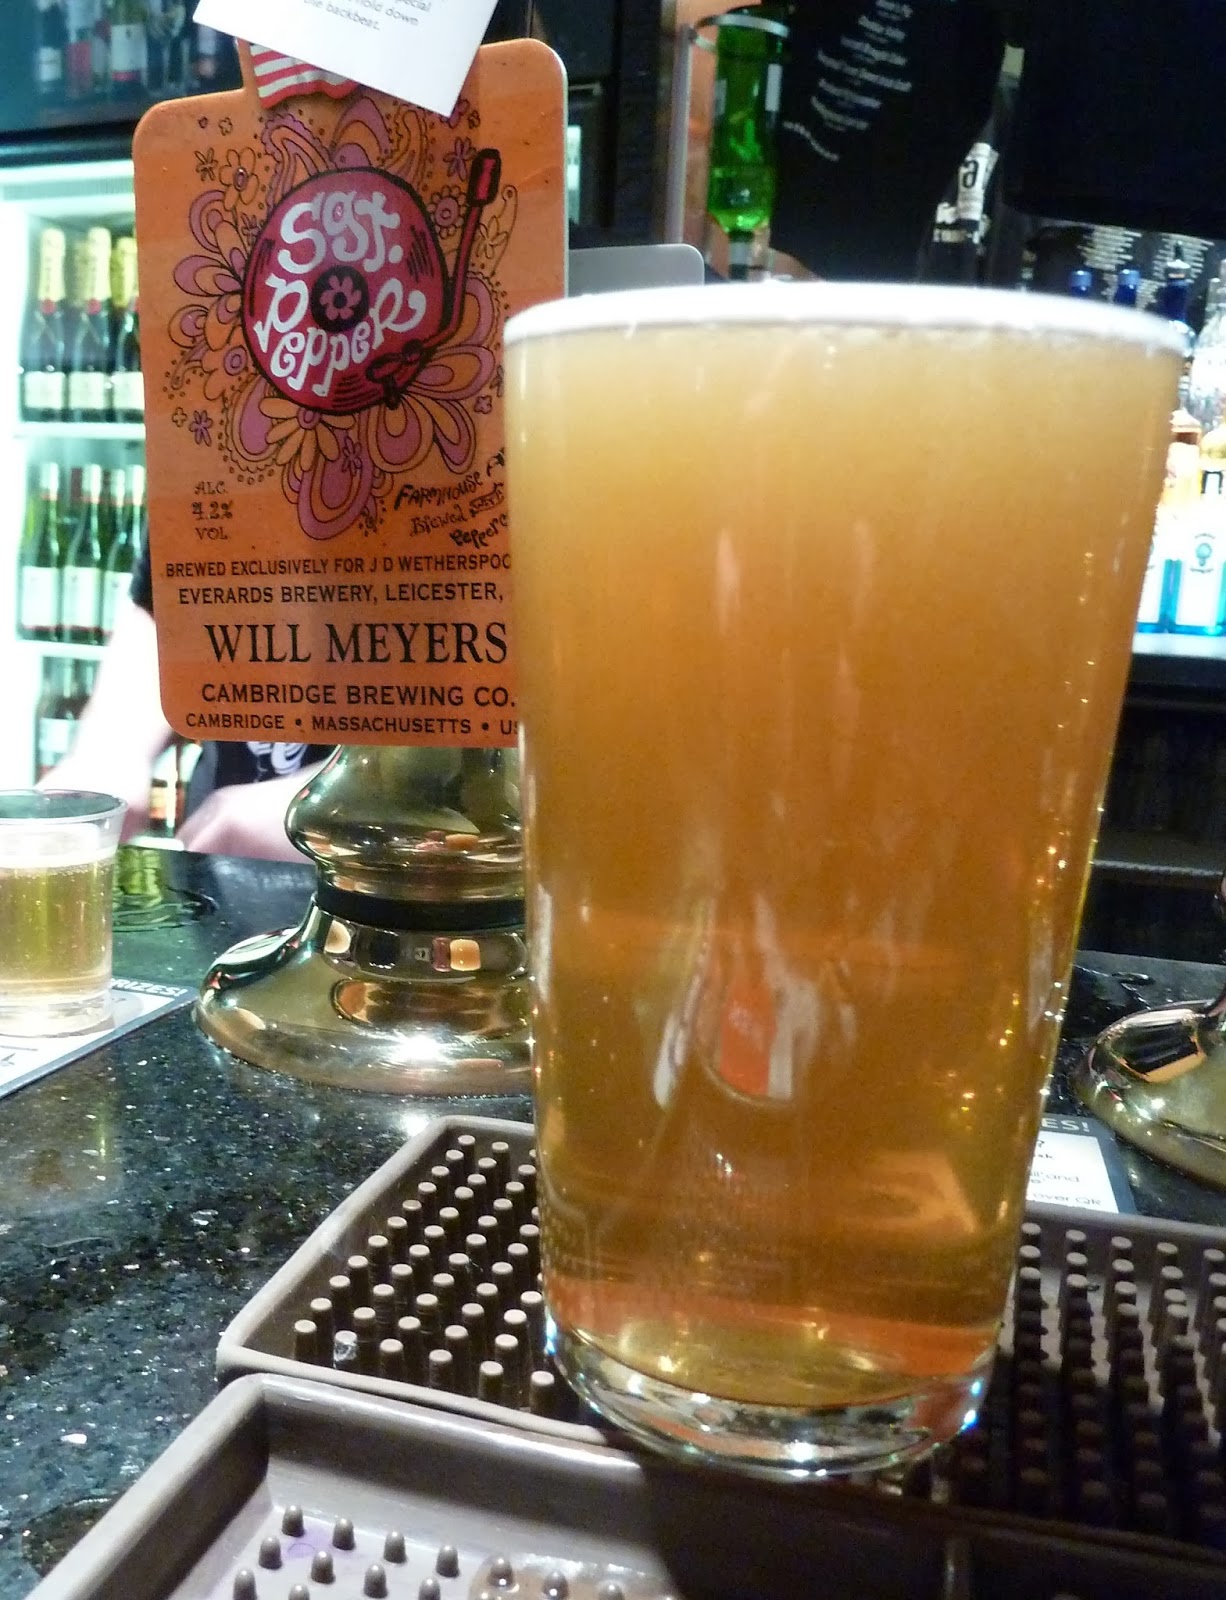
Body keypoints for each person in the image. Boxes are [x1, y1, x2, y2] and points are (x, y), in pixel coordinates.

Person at [41, 542, 332, 860]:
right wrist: (112, 753)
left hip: (365, 865)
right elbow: (166, 602)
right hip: (220, 846)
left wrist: (330, 805)